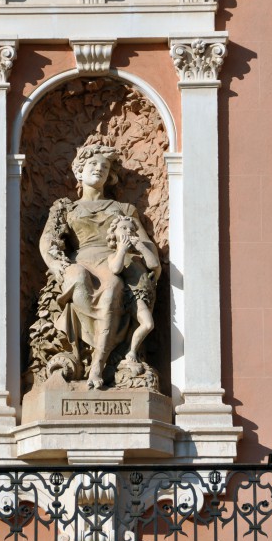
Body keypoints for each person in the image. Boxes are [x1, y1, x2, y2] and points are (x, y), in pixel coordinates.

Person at [39, 142, 161, 389]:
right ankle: (84, 353)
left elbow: (149, 251)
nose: (99, 169)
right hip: (79, 260)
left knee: (113, 287)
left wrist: (137, 246)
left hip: (112, 261)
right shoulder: (65, 207)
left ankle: (97, 364)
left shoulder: (123, 209)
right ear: (79, 170)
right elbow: (47, 241)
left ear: (111, 175)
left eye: (104, 167)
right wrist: (55, 265)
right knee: (78, 277)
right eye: (93, 164)